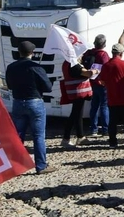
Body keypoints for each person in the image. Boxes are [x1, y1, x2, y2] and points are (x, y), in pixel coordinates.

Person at [6, 41, 55, 174]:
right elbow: (48, 87)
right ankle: (41, 166)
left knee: (18, 135)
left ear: (19, 52)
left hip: (17, 102)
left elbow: (9, 85)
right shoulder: (36, 67)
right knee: (38, 136)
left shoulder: (11, 67)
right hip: (35, 102)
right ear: (32, 53)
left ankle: (15, 166)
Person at [98, 44, 124, 148]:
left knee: (112, 122)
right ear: (121, 53)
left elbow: (102, 81)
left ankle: (113, 142)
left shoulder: (106, 66)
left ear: (112, 53)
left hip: (112, 97)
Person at [59, 54, 93, 148]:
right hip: (78, 91)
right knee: (75, 114)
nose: (82, 56)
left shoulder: (66, 63)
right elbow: (88, 73)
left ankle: (80, 136)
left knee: (77, 114)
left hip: (74, 92)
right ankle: (66, 138)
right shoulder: (74, 64)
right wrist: (96, 70)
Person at [81, 34, 110, 137]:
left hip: (91, 82)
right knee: (104, 106)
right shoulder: (103, 55)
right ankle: (105, 129)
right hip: (102, 83)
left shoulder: (89, 52)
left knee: (94, 106)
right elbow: (106, 68)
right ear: (104, 44)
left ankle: (93, 129)